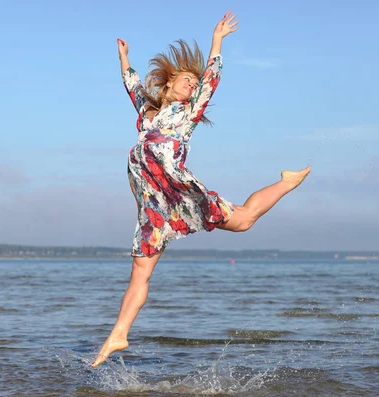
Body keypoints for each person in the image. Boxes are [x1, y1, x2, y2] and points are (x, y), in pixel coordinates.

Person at [91, 11, 310, 367]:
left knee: (243, 221)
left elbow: (211, 79)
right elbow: (132, 84)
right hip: (153, 203)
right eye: (186, 80)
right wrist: (125, 58)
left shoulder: (188, 113)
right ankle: (119, 334)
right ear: (168, 82)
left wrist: (217, 41)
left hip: (179, 189)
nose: (193, 85)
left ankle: (285, 182)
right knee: (140, 272)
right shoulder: (148, 112)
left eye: (195, 84)